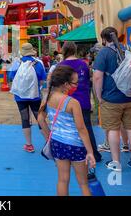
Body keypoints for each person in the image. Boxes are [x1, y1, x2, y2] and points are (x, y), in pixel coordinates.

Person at [37, 65, 96, 196]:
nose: (76, 85)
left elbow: (40, 118)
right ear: (65, 84)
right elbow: (81, 129)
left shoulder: (48, 97)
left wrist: (48, 137)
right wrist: (90, 152)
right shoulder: (73, 103)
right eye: (75, 83)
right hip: (76, 145)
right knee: (83, 183)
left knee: (63, 180)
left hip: (57, 143)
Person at [93, 27, 131, 172]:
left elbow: (97, 77)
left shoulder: (104, 53)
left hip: (111, 98)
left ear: (104, 39)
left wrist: (99, 96)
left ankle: (116, 163)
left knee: (113, 129)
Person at [55, 42, 102, 162]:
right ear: (75, 50)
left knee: (68, 127)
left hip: (67, 102)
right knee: (86, 128)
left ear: (64, 51)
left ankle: (69, 153)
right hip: (83, 100)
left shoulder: (61, 66)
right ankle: (94, 153)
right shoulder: (83, 64)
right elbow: (87, 80)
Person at [11, 43, 47, 153]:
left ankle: (29, 145)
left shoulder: (17, 62)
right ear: (32, 51)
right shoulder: (38, 63)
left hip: (20, 97)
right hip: (35, 96)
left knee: (25, 119)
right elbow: (42, 80)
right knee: (40, 118)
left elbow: (12, 78)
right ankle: (48, 142)